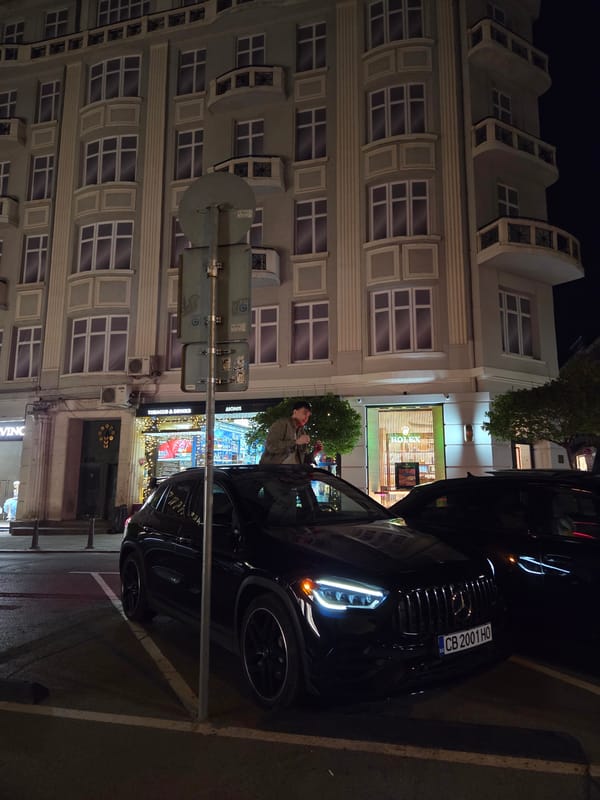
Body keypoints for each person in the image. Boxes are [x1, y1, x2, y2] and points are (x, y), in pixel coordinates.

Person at [259, 400, 323, 465]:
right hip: (274, 470)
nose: (306, 418)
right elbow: (271, 446)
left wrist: (315, 451)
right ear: (295, 412)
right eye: (304, 413)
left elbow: (303, 460)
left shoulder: (302, 432)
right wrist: (295, 442)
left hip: (292, 472)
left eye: (308, 416)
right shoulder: (281, 424)